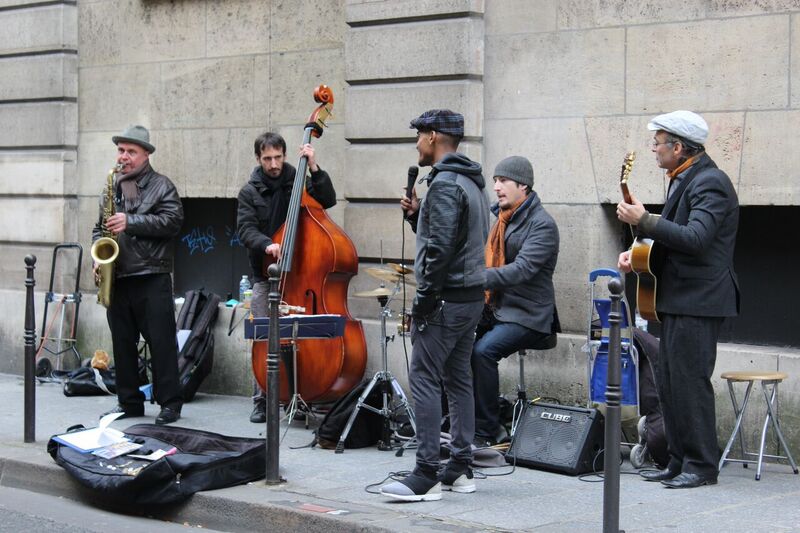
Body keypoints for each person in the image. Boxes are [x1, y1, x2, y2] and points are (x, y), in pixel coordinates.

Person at [617, 110, 740, 489]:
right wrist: (639, 252)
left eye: (658, 143)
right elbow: (673, 242)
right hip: (677, 297)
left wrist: (647, 220)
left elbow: (696, 238)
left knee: (690, 382)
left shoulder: (711, 182)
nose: (654, 149)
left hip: (699, 300)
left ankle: (702, 465)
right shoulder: (683, 179)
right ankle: (677, 459)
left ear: (679, 146)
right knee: (669, 383)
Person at [380, 109, 489, 502]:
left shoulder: (444, 185)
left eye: (419, 137)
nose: (416, 145)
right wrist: (417, 218)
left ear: (432, 137)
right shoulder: (472, 181)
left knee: (424, 377)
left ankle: (425, 473)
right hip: (470, 298)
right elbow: (455, 240)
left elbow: (440, 251)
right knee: (458, 378)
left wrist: (424, 302)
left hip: (446, 300)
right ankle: (460, 467)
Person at [236, 132, 336, 423]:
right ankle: (262, 399)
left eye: (278, 157)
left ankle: (300, 395)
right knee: (263, 338)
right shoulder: (249, 192)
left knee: (301, 339)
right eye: (267, 159)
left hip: (303, 275)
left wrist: (314, 167)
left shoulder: (299, 181)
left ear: (284, 155)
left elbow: (327, 199)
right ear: (259, 159)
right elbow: (245, 230)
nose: (274, 164)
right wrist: (267, 243)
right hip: (266, 274)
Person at [93, 125, 185, 426]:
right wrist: (98, 254)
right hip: (118, 276)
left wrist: (131, 221)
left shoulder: (162, 185)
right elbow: (99, 227)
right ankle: (129, 402)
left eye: (131, 151)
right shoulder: (112, 186)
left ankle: (170, 403)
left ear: (146, 154)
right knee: (122, 343)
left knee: (161, 344)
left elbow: (173, 221)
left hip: (151, 275)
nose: (124, 156)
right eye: (121, 150)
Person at [471, 155, 560, 447]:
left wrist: (477, 278)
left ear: (523, 185)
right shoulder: (499, 218)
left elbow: (522, 270)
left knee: (483, 352)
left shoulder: (542, 225)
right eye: (495, 181)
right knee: (455, 344)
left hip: (529, 314)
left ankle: (489, 430)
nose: (496, 187)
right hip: (497, 309)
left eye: (503, 181)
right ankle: (461, 419)